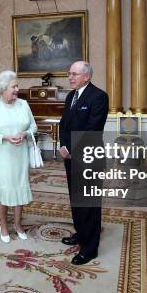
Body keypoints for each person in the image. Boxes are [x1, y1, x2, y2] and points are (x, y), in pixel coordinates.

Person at [59, 61, 109, 265]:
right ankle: (81, 233)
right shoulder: (71, 96)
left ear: (86, 76)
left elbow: (92, 128)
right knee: (76, 200)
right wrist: (63, 145)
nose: (70, 78)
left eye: (74, 74)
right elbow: (64, 124)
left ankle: (90, 249)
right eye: (69, 74)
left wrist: (71, 148)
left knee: (89, 204)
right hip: (70, 157)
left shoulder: (98, 96)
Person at [0, 70, 37, 243]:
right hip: (2, 156)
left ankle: (18, 225)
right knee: (4, 189)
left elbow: (34, 127)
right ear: (3, 88)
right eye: (14, 86)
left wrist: (25, 133)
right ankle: (4, 225)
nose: (17, 89)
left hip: (21, 155)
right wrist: (5, 137)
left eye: (16, 86)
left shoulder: (23, 104)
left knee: (20, 187)